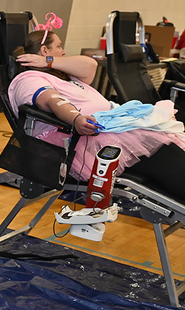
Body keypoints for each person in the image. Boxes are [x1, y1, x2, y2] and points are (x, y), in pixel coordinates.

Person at [10, 25, 185, 200]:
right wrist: (76, 118)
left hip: (109, 129)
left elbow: (90, 65)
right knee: (163, 153)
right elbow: (53, 101)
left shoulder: (61, 74)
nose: (63, 52)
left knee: (167, 147)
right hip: (83, 141)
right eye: (59, 46)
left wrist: (48, 60)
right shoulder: (29, 79)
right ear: (44, 49)